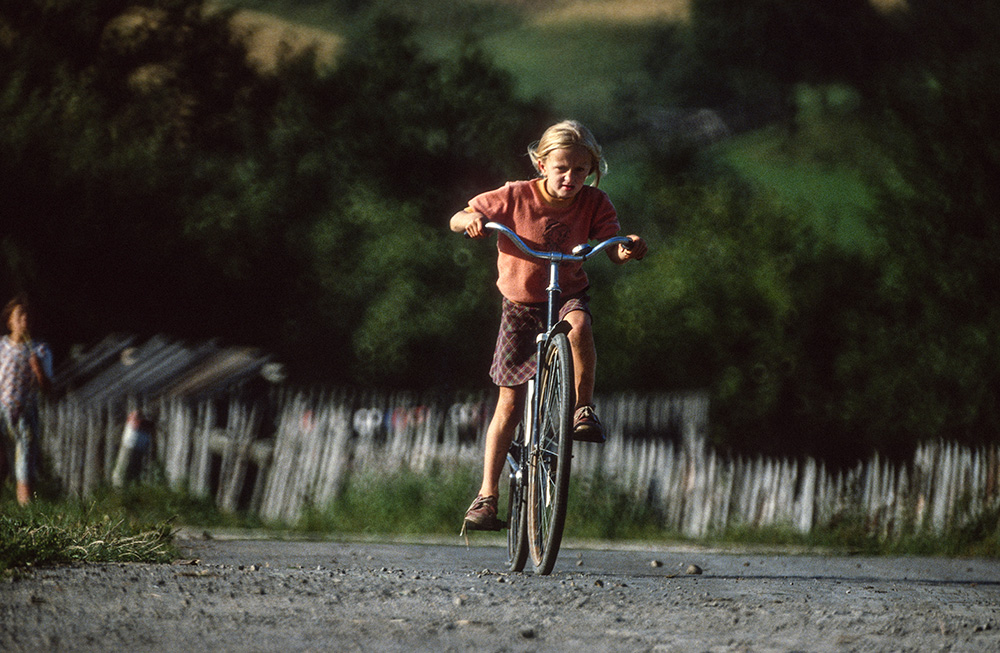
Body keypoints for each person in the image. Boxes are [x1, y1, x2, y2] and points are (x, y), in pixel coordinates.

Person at [450, 120, 647, 531]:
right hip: (519, 307)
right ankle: (487, 495)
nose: (570, 178)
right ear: (541, 163)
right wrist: (470, 221)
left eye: (580, 170)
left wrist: (626, 250)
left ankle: (582, 408)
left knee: (579, 327)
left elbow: (612, 248)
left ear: (591, 169)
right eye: (561, 168)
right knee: (509, 401)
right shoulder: (515, 195)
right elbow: (460, 215)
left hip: (566, 294)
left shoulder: (595, 203)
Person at [0, 295, 53, 505]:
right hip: (1, 408)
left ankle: (25, 509)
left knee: (24, 463)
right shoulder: (2, 347)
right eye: (20, 315)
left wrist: (38, 369)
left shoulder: (40, 350)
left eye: (28, 317)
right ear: (10, 321)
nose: (25, 320)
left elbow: (48, 388)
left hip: (25, 413)